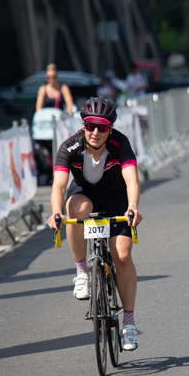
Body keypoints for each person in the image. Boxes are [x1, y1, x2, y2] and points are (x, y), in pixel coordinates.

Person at [46, 97, 143, 350]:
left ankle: (129, 323)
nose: (95, 132)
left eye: (102, 127)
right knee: (74, 209)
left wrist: (133, 206)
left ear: (110, 128)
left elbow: (131, 179)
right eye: (90, 126)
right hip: (85, 193)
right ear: (83, 126)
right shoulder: (70, 147)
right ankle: (82, 272)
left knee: (122, 256)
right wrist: (56, 211)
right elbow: (59, 185)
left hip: (116, 197)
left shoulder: (120, 143)